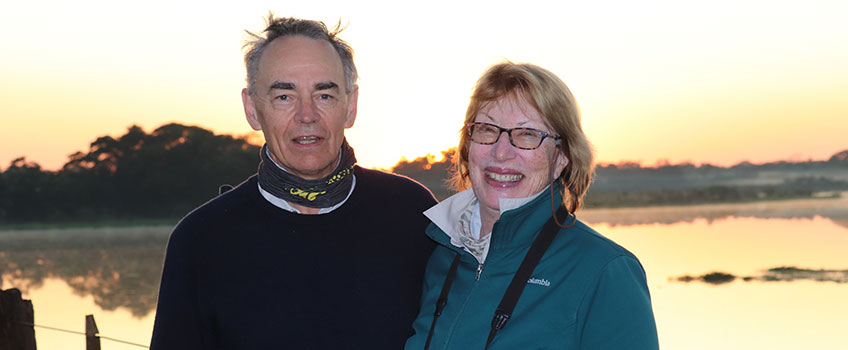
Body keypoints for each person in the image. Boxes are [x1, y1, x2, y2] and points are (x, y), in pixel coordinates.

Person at [150, 14, 437, 349]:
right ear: (252, 109)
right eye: (284, 96)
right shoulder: (201, 239)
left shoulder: (413, 214)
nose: (307, 115)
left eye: (324, 95)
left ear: (351, 105)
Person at [405, 62, 659, 349]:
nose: (501, 152)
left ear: (561, 157)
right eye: (487, 129)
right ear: (468, 146)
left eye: (527, 135)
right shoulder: (442, 256)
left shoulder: (605, 271)